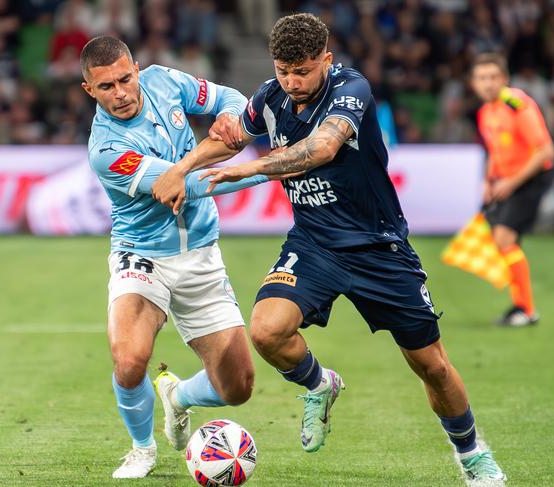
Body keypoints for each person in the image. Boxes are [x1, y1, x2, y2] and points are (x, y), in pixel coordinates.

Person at [153, 14, 506, 482]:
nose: (292, 81)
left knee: (431, 365)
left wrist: (248, 170)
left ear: (326, 60)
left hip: (378, 247)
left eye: (302, 70)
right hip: (315, 242)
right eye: (283, 70)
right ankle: (319, 384)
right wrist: (182, 168)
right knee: (266, 331)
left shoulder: (349, 89)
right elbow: (229, 136)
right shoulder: (271, 95)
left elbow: (320, 148)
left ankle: (471, 454)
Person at [80, 35, 271, 479]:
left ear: (136, 68)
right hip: (143, 257)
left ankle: (178, 397)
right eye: (106, 87)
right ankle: (142, 447)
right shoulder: (106, 150)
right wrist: (270, 167)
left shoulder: (165, 81)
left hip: (201, 254)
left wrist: (228, 118)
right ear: (89, 90)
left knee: (237, 387)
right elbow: (189, 185)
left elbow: (232, 99)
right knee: (129, 361)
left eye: (125, 79)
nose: (121, 93)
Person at [471, 52, 554, 326]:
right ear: (473, 83)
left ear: (505, 79)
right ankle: (521, 306)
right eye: (482, 78)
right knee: (505, 242)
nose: (488, 83)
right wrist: (488, 181)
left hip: (530, 178)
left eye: (493, 77)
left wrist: (510, 183)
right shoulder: (486, 111)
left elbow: (546, 151)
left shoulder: (517, 104)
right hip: (508, 181)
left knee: (504, 239)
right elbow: (495, 151)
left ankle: (528, 310)